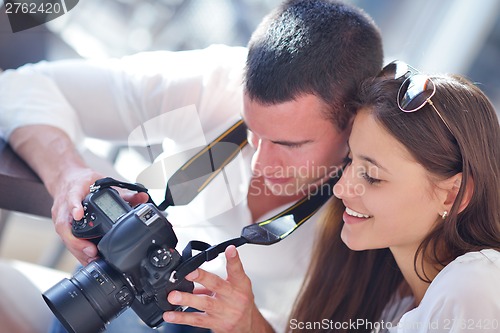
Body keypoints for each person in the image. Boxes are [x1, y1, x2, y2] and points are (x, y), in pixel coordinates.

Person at [0, 1, 383, 332]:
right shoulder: (219, 82)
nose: (261, 162)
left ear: (353, 124)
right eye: (251, 131)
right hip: (125, 307)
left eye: (289, 144)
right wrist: (66, 175)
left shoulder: (380, 206)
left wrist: (249, 325)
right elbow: (22, 86)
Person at [173, 61, 500, 332]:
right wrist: (246, 322)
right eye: (349, 162)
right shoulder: (393, 293)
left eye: (371, 176)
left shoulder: (474, 287)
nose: (341, 189)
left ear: (452, 195)